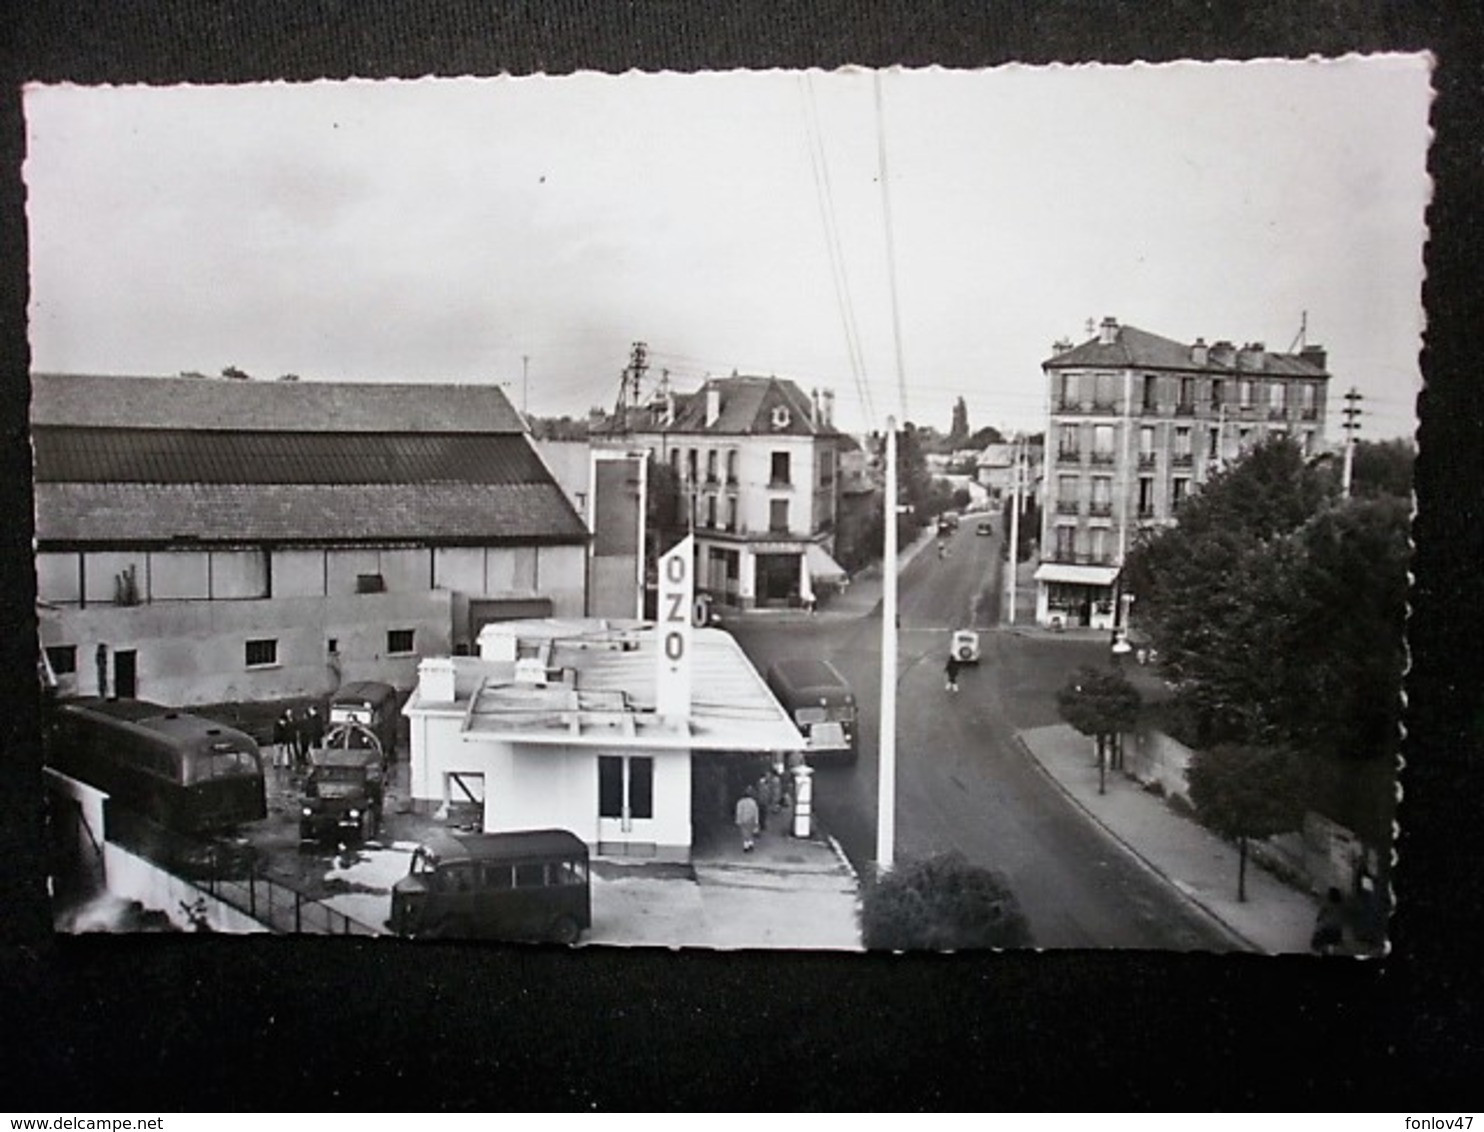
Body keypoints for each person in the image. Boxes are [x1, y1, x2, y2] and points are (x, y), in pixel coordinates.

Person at [1311, 886, 1346, 956]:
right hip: (1337, 929)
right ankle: (1331, 949)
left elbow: (1320, 914)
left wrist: (1318, 920)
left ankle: (1319, 948)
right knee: (1332, 942)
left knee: (1319, 933)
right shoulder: (1341, 905)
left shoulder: (1327, 903)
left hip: (1327, 927)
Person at [735, 788, 760, 853]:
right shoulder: (753, 802)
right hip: (751, 819)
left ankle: (746, 847)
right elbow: (756, 811)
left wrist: (738, 820)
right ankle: (751, 844)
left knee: (745, 833)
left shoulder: (740, 802)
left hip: (743, 819)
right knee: (750, 833)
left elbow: (739, 812)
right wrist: (756, 821)